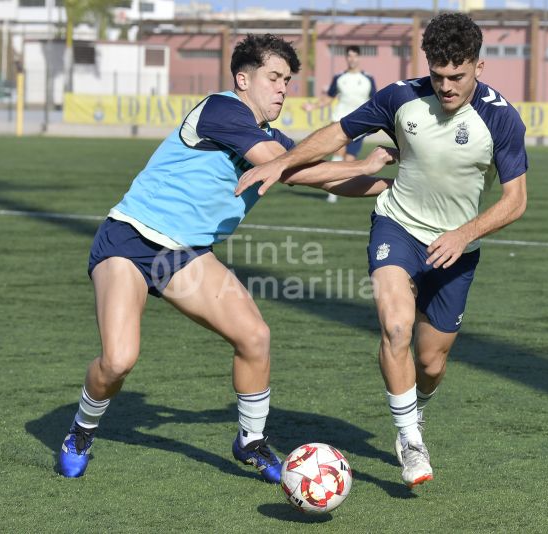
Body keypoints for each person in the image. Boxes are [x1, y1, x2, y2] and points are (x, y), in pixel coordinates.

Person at [57, 33, 395, 482]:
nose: (282, 88)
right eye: (274, 77)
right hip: (131, 240)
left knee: (254, 337)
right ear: (243, 78)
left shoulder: (270, 137)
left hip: (186, 255)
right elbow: (284, 165)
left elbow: (317, 177)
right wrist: (361, 164)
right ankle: (81, 430)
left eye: (288, 80)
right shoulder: (223, 110)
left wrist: (398, 189)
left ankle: (250, 441)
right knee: (118, 360)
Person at [236, 14, 528, 489]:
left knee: (431, 364)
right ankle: (409, 438)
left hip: (456, 247)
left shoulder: (501, 119)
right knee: (395, 327)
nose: (447, 86)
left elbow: (515, 201)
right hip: (398, 226)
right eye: (438, 75)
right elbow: (338, 133)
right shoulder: (401, 97)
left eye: (458, 75)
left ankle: (415, 406)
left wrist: (462, 234)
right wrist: (284, 161)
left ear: (480, 65)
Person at [303, 45, 376, 203]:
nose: (352, 59)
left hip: (360, 125)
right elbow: (329, 98)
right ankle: (332, 194)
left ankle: (338, 187)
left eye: (354, 56)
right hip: (339, 120)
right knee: (338, 154)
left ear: (359, 57)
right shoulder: (339, 78)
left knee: (349, 161)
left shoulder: (368, 79)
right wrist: (313, 106)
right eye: (349, 56)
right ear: (346, 58)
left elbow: (374, 102)